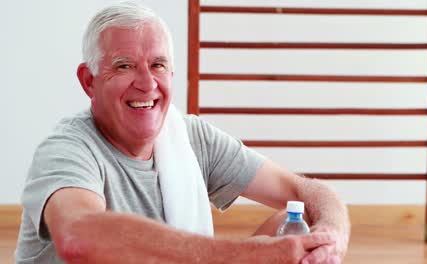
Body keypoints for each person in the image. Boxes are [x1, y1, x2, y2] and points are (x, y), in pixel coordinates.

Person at [15, 2, 350, 263]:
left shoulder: (190, 136)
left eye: (157, 65)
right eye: (124, 66)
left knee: (297, 221)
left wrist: (331, 236)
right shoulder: (66, 150)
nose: (146, 84)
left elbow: (305, 191)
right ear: (89, 81)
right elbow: (79, 237)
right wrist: (246, 256)